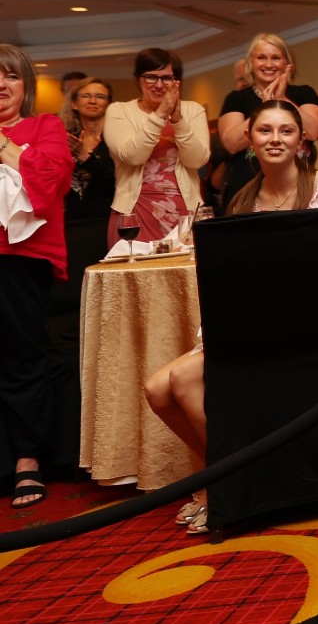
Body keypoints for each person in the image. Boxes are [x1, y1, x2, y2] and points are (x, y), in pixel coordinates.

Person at [145, 100, 318, 535]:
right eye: (265, 131)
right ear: (250, 140)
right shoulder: (244, 199)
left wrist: (299, 244)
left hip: (314, 325)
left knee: (180, 381)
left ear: (301, 141)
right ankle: (225, 481)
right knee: (156, 390)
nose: (275, 139)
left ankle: (218, 488)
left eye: (286, 131)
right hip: (260, 324)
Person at [0, 44, 75, 508]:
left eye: (10, 77)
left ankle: (27, 460)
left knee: (18, 354)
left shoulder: (43, 127)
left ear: (25, 86)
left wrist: (6, 146)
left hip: (18, 256)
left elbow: (49, 181)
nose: (0, 86)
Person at [104, 49, 211, 243]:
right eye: (151, 77)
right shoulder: (119, 110)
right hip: (134, 215)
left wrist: (177, 119)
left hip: (185, 214)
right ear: (138, 79)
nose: (159, 85)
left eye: (167, 78)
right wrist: (161, 113)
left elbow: (197, 160)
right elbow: (133, 156)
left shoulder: (192, 110)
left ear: (177, 82)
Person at [218, 33, 318, 207]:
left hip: (299, 189)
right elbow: (231, 144)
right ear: (251, 63)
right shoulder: (237, 99)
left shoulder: (304, 93)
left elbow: (313, 132)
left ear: (287, 63)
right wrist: (264, 105)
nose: (268, 64)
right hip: (248, 191)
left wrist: (282, 99)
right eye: (261, 58)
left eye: (275, 58)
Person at [60, 77, 116, 222]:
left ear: (109, 104)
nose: (92, 101)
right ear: (74, 104)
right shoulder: (65, 138)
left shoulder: (117, 140)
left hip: (106, 221)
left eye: (100, 97)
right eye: (85, 96)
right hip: (69, 221)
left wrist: (85, 158)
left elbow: (121, 183)